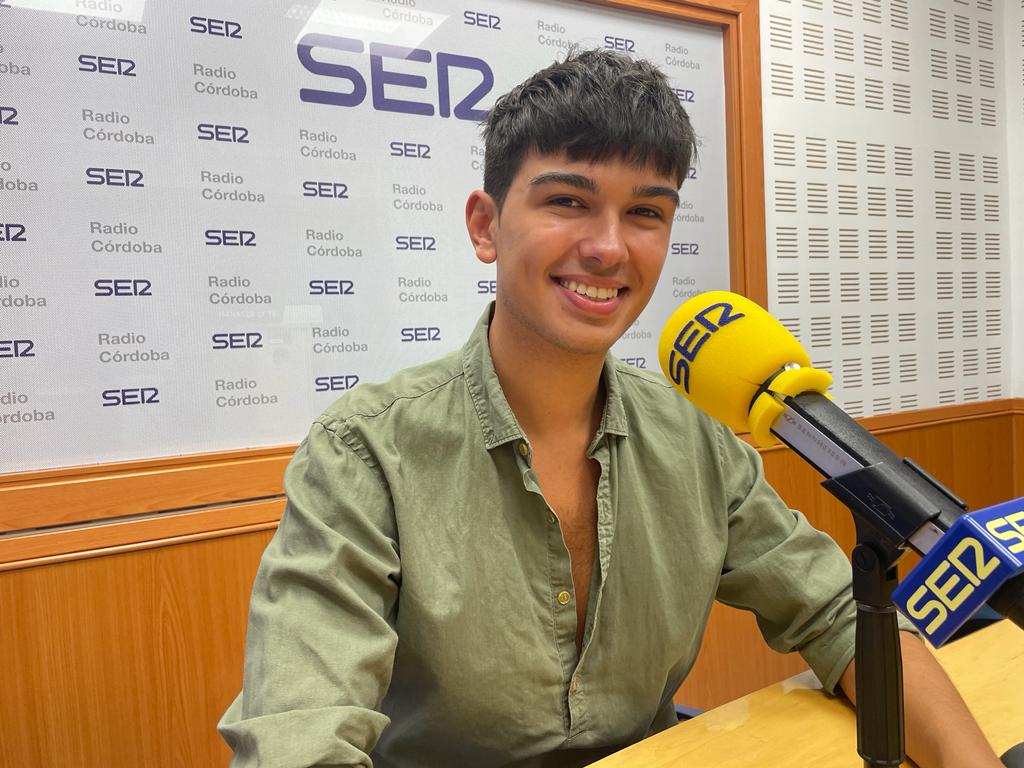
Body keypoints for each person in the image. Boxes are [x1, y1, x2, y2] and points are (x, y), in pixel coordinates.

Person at [219, 49, 1001, 768]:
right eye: (568, 200)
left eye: (646, 213)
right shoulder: (364, 452)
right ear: (486, 226)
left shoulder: (694, 437)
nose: (608, 247)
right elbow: (300, 731)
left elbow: (837, 615)